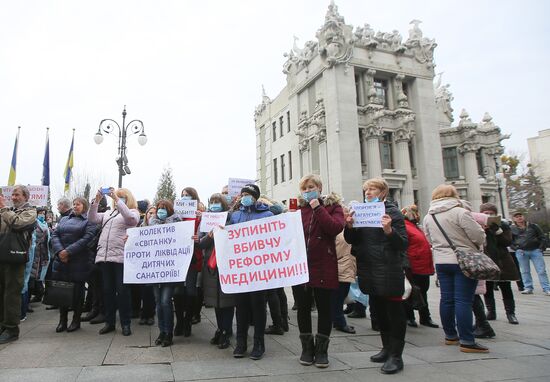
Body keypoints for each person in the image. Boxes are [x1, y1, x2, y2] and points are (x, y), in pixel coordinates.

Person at [345, 178, 408, 374]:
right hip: (369, 269)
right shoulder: (363, 213)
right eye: (366, 190)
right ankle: (386, 348)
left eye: (372, 189)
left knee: (394, 313)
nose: (368, 193)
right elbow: (352, 240)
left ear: (382, 192)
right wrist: (349, 226)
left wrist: (389, 231)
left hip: (389, 269)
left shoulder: (393, 212)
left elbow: (403, 244)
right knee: (379, 312)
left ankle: (396, 356)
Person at [422, 184, 488, 353]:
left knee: (447, 299)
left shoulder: (429, 217)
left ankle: (450, 335)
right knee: (463, 300)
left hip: (442, 261)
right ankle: (467, 339)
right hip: (464, 259)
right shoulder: (460, 212)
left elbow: (429, 238)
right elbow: (478, 236)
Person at [293, 175, 344, 368]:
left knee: (324, 309)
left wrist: (317, 207)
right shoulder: (298, 210)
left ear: (319, 188)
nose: (307, 191)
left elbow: (334, 227)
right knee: (303, 308)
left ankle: (322, 351)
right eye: (304, 188)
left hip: (324, 265)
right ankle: (307, 349)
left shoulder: (333, 207)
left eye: (311, 187)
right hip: (301, 268)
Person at [229, 184, 273, 360]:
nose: (245, 197)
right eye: (243, 194)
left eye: (248, 194)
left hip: (258, 269)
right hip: (241, 269)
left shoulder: (267, 215)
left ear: (256, 197)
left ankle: (258, 343)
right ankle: (241, 343)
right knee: (241, 307)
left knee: (258, 306)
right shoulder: (235, 215)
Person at [89, 187, 140, 336]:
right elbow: (92, 218)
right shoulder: (108, 213)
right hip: (105, 257)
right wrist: (96, 201)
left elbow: (131, 219)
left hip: (121, 258)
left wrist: (118, 201)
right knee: (108, 291)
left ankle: (125, 323)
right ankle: (109, 322)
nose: (117, 198)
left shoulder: (133, 212)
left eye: (122, 197)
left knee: (122, 291)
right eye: (117, 196)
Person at [51, 197, 97, 332]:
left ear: (85, 207)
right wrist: (60, 251)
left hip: (79, 262)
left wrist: (68, 252)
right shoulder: (64, 219)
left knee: (78, 292)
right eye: (74, 204)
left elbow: (86, 239)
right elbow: (55, 235)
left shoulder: (89, 221)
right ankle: (62, 320)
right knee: (62, 291)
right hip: (62, 261)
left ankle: (76, 320)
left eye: (79, 204)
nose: (76, 206)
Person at [0, 185, 37, 344]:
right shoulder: (8, 211)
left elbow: (17, 224)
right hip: (3, 256)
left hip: (16, 258)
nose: (13, 197)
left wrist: (3, 208)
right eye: (12, 195)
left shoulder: (30, 212)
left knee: (12, 293)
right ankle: (3, 324)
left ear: (25, 197)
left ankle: (12, 328)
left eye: (17, 195)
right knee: (2, 292)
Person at [199, 193, 235, 349]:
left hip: (227, 265)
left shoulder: (231, 218)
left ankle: (227, 331)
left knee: (227, 302)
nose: (214, 205)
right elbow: (200, 244)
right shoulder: (205, 221)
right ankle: (220, 329)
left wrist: (225, 231)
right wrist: (210, 236)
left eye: (217, 202)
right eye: (212, 202)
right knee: (216, 301)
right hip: (211, 266)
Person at [479, 203, 520, 324]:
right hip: (486, 259)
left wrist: (496, 230)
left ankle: (510, 313)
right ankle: (491, 311)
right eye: (486, 213)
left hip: (502, 259)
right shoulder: (478, 225)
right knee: (488, 287)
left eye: (491, 213)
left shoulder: (503, 225)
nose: (488, 215)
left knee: (506, 287)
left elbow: (507, 241)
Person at [400, 205, 438, 329]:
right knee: (411, 290)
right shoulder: (405, 226)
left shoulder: (415, 227)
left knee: (422, 291)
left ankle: (425, 317)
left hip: (422, 265)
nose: (416, 215)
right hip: (413, 265)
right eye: (413, 212)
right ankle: (409, 317)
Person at [149, 200, 181, 347]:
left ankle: (169, 332)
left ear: (169, 210)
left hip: (169, 269)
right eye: (159, 209)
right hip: (155, 269)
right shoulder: (150, 223)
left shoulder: (177, 222)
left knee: (165, 302)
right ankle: (161, 331)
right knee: (158, 303)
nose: (161, 211)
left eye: (164, 209)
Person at [173, 187, 204, 337]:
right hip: (177, 258)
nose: (185, 198)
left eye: (188, 195)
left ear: (194, 199)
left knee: (191, 291)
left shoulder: (199, 216)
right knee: (178, 291)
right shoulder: (176, 215)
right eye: (183, 195)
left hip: (192, 257)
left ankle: (188, 320)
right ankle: (179, 322)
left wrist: (201, 218)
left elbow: (204, 234)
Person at [510, 211, 550, 296]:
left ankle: (546, 288)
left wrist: (541, 248)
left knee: (541, 270)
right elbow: (511, 241)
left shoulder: (533, 226)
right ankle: (528, 287)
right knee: (525, 271)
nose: (519, 218)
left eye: (520, 215)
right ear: (514, 219)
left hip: (535, 250)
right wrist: (516, 248)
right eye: (516, 216)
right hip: (521, 251)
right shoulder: (512, 229)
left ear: (523, 216)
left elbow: (542, 237)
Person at [22, 207, 51, 319]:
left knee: (33, 280)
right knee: (29, 281)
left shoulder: (45, 224)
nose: (42, 215)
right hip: (33, 256)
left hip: (41, 256)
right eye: (40, 213)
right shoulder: (35, 224)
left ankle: (27, 303)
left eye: (44, 213)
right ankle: (26, 305)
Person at [332, 206, 357, 334]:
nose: (348, 213)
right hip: (342, 266)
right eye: (345, 211)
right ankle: (340, 322)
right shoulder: (338, 228)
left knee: (339, 296)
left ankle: (336, 320)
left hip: (346, 265)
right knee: (339, 296)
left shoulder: (345, 227)